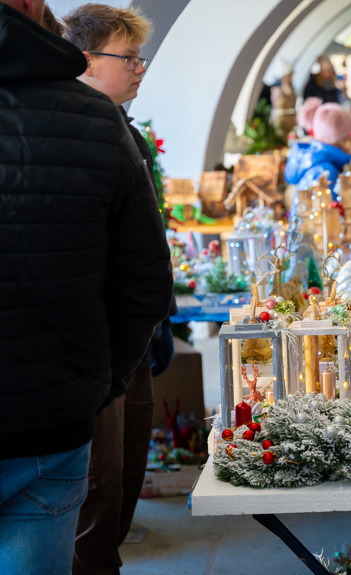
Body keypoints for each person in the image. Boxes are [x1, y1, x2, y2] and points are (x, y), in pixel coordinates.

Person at [0, 1, 172, 574]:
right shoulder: (93, 120)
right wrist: (100, 382)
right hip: (53, 414)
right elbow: (144, 279)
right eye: (131, 58)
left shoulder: (104, 122)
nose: (140, 68)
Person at [61, 5, 176, 573]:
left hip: (134, 336)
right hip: (97, 341)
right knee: (98, 488)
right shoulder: (67, 129)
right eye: (126, 57)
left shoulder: (124, 130)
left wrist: (157, 320)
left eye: (139, 56)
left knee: (128, 471)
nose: (139, 68)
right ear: (85, 61)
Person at [284, 103, 351, 195]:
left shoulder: (317, 160)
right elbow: (331, 208)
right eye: (350, 136)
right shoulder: (326, 171)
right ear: (344, 140)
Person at [270, 63, 298, 135]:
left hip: (290, 125)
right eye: (289, 76)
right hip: (280, 126)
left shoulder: (290, 88)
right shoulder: (277, 90)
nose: (291, 79)